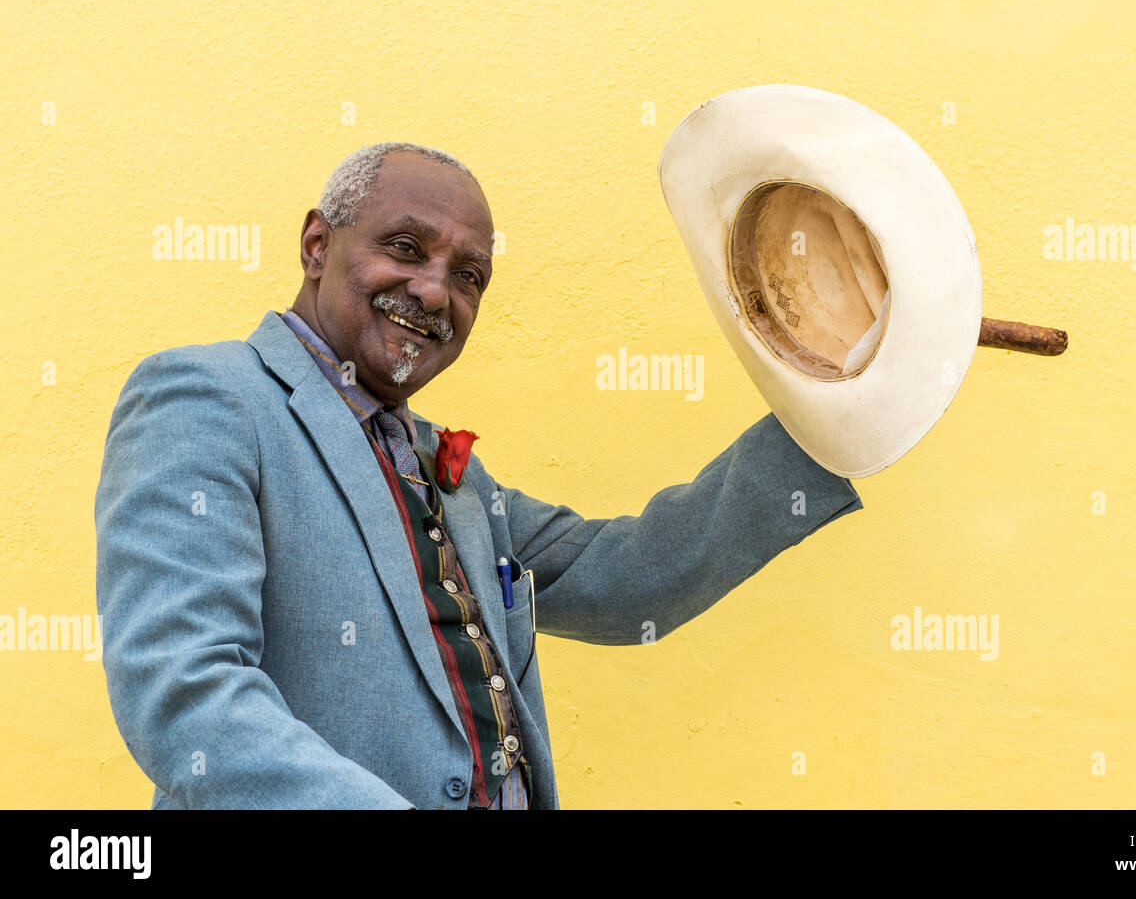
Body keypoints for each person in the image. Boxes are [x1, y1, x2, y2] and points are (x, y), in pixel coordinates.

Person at [94, 142, 864, 809]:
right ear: (318, 245)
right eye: (404, 247)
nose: (436, 292)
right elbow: (185, 694)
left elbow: (628, 581)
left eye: (469, 275)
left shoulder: (447, 470)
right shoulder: (207, 397)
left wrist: (842, 410)